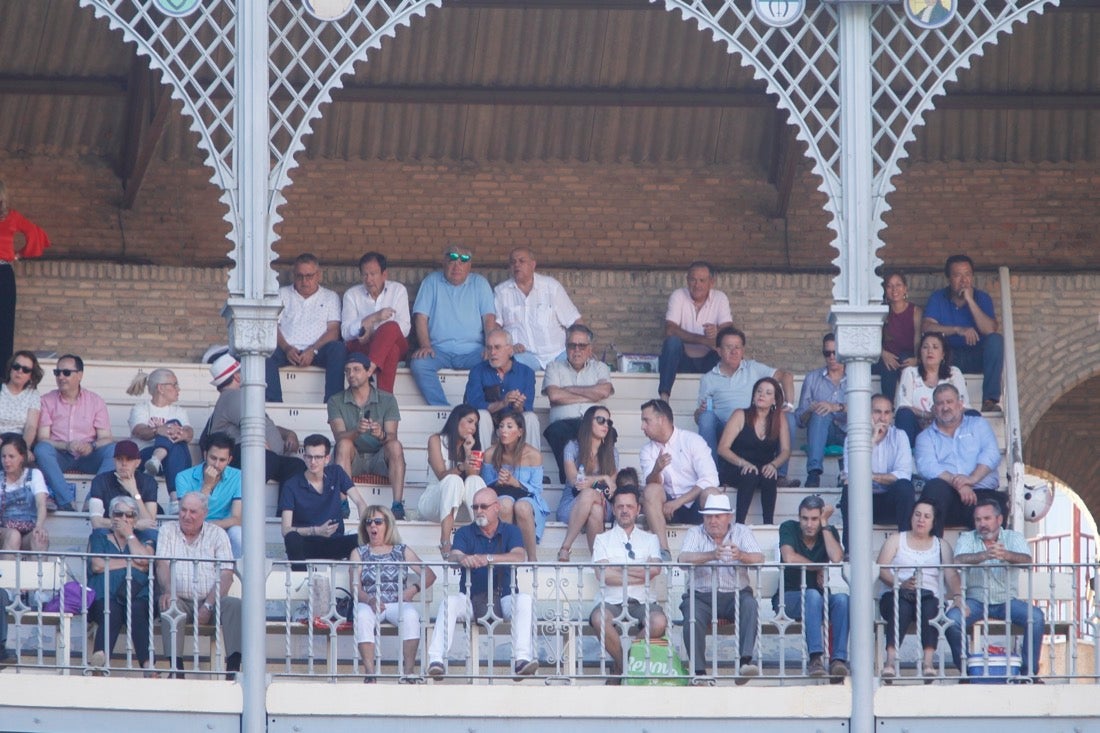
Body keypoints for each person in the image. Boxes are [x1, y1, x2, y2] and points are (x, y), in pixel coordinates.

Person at [425, 486, 538, 680]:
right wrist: (462, 559)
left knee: (524, 600)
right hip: (469, 598)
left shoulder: (511, 531)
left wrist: (488, 558)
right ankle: (436, 661)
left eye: (483, 506)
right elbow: (454, 554)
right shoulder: (464, 532)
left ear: (496, 508)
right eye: (475, 506)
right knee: (449, 603)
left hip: (504, 597)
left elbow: (519, 556)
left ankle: (521, 660)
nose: (478, 511)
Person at [946, 497, 1045, 681]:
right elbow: (958, 560)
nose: (982, 524)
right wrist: (985, 555)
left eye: (987, 518)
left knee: (1036, 617)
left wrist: (1006, 555)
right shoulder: (968, 538)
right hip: (975, 601)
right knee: (952, 621)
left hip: (1006, 600)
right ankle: (967, 671)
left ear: (999, 520)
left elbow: (1028, 560)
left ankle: (1028, 673)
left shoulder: (1013, 537)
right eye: (978, 520)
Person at [694, 327, 798, 486]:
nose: (734, 351)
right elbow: (698, 418)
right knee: (706, 417)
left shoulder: (753, 368)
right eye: (729, 347)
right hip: (726, 429)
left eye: (738, 347)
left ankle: (780, 476)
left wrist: (788, 404)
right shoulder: (708, 379)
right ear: (718, 351)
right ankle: (713, 476)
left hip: (757, 425)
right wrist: (699, 412)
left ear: (743, 350)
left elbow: (786, 376)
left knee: (788, 418)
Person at [155, 492, 241, 679]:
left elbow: (227, 574)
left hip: (212, 600)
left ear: (204, 513)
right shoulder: (167, 530)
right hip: (180, 598)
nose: (186, 516)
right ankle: (176, 670)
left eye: (193, 512)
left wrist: (208, 605)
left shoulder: (217, 534)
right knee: (170, 606)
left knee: (235, 606)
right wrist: (169, 591)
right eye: (183, 510)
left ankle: (233, 669)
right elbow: (162, 564)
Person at [677, 494, 762, 682]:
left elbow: (759, 559)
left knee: (750, 605)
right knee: (691, 613)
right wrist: (711, 554)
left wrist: (741, 555)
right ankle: (699, 672)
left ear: (728, 517)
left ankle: (745, 663)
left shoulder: (742, 532)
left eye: (718, 516)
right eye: (708, 516)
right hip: (701, 596)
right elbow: (682, 559)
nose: (712, 520)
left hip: (736, 595)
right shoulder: (695, 532)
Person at [877, 498, 963, 680]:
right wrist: (899, 584)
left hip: (928, 596)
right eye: (917, 515)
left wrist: (957, 596)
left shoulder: (941, 545)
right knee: (901, 606)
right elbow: (881, 569)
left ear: (933, 522)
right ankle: (891, 662)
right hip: (897, 594)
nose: (921, 520)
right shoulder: (896, 540)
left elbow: (951, 574)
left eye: (926, 516)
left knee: (932, 607)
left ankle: (928, 663)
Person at [589, 483, 666, 683]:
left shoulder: (651, 540)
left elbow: (655, 570)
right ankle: (627, 667)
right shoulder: (602, 539)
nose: (625, 510)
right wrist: (640, 572)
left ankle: (620, 667)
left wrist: (619, 570)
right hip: (611, 601)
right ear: (613, 509)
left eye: (630, 506)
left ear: (638, 509)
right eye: (620, 506)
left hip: (643, 602)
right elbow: (603, 575)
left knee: (658, 622)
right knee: (598, 619)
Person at [350, 505, 435, 682]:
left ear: (388, 525)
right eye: (369, 522)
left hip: (398, 603)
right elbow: (355, 587)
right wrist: (369, 599)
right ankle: (370, 673)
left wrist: (413, 590)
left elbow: (430, 574)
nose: (373, 526)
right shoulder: (359, 553)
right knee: (363, 616)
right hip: (371, 603)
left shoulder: (401, 551)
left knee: (411, 615)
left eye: (378, 522)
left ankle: (409, 672)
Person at [409, 245, 496, 406]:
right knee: (419, 364)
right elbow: (420, 317)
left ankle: (475, 407)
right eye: (452, 260)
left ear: (469, 266)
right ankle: (442, 408)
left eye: (463, 261)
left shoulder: (480, 284)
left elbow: (489, 320)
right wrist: (425, 346)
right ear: (444, 263)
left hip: (473, 351)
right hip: (439, 350)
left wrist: (489, 348)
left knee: (495, 361)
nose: (457, 266)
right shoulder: (431, 282)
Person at [776, 495, 849, 680]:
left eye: (815, 519)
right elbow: (789, 558)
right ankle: (815, 658)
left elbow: (836, 557)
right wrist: (818, 566)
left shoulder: (829, 530)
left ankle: (838, 660)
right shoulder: (788, 527)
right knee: (812, 595)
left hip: (819, 598)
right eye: (805, 518)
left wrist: (825, 525)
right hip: (788, 599)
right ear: (798, 517)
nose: (809, 524)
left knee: (842, 600)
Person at [915, 383, 1003, 538]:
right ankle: (932, 552)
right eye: (940, 403)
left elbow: (992, 454)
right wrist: (959, 483)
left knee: (993, 509)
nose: (945, 407)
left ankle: (991, 559)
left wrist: (971, 479)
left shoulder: (979, 424)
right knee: (934, 488)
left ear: (960, 404)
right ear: (934, 409)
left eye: (949, 402)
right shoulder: (925, 437)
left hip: (981, 493)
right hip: (947, 499)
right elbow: (927, 466)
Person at [327, 352, 407, 519]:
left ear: (369, 372)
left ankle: (397, 505)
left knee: (395, 446)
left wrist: (381, 434)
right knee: (343, 445)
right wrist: (357, 431)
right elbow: (339, 436)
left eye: (356, 370)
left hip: (379, 458)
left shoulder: (388, 399)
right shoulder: (335, 400)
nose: (351, 375)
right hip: (353, 457)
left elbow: (392, 437)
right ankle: (343, 505)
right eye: (347, 371)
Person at [922, 254, 1005, 413]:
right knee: (932, 347)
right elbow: (926, 327)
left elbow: (990, 330)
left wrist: (970, 301)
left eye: (967, 274)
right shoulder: (938, 297)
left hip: (977, 356)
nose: (964, 280)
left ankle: (989, 401)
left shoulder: (982, 298)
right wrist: (958, 330)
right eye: (957, 275)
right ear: (948, 278)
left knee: (996, 340)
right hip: (949, 356)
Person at [639, 399, 720, 560]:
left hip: (695, 504)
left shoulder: (692, 440)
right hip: (666, 509)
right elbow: (654, 485)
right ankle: (663, 551)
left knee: (712, 493)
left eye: (646, 421)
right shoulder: (647, 450)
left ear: (661, 420)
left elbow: (711, 478)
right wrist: (656, 469)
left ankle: (715, 550)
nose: (642, 426)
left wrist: (678, 502)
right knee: (651, 490)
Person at [206, 353, 305, 485]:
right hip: (248, 456)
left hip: (268, 456)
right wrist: (268, 451)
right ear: (237, 376)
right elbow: (252, 427)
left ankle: (286, 506)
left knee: (297, 466)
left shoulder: (236, 397)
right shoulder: (233, 396)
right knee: (267, 459)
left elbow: (263, 423)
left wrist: (287, 434)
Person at [33, 354, 115, 512]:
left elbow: (106, 438)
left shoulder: (95, 401)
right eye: (57, 373)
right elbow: (43, 438)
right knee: (41, 449)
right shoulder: (46, 400)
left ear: (80, 375)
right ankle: (66, 502)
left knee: (114, 450)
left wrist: (91, 446)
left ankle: (92, 501)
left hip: (89, 456)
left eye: (66, 372)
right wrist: (66, 445)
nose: (61, 377)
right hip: (60, 455)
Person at [86, 495, 155, 675]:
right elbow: (98, 565)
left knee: (137, 609)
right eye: (119, 514)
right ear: (111, 516)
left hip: (137, 595)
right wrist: (131, 562)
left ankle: (148, 666)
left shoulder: (144, 538)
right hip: (104, 595)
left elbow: (145, 561)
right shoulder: (99, 537)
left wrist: (130, 535)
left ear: (136, 519)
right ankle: (99, 662)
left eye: (130, 515)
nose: (125, 518)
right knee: (111, 610)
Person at [265, 252, 346, 403]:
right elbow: (271, 325)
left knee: (338, 349)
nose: (304, 281)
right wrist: (287, 348)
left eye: (309, 276)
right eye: (299, 276)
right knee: (264, 351)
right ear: (293, 275)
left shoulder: (330, 297)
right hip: (287, 349)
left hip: (318, 350)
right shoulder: (281, 294)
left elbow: (334, 330)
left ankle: (333, 404)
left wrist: (313, 350)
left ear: (318, 276)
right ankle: (273, 403)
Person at [838, 394, 915, 548]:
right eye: (877, 412)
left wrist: (870, 476)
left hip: (889, 503)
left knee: (905, 487)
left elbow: (903, 474)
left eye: (887, 413)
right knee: (849, 490)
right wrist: (872, 440)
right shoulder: (853, 437)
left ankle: (907, 547)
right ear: (867, 413)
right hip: (863, 504)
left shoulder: (900, 436)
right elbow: (850, 475)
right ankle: (850, 550)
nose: (882, 417)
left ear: (892, 415)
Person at [542, 324, 614, 483]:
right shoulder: (553, 367)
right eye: (572, 345)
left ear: (590, 349)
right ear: (566, 347)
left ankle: (598, 483)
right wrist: (591, 395)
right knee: (557, 431)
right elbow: (554, 396)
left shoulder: (600, 368)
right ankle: (571, 483)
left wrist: (569, 390)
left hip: (593, 421)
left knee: (609, 431)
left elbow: (604, 391)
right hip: (563, 424)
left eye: (582, 345)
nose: (577, 349)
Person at [716, 376, 791, 525]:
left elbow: (786, 450)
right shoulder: (740, 415)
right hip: (736, 467)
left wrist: (774, 465)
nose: (762, 395)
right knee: (750, 473)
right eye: (759, 391)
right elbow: (722, 448)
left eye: (768, 393)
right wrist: (742, 463)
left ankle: (768, 524)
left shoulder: (779, 418)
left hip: (763, 468)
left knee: (770, 475)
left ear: (775, 400)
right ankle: (739, 524)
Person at [493, 247, 583, 371]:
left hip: (558, 354)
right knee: (508, 365)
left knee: (577, 369)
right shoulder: (501, 292)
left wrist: (582, 347)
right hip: (523, 356)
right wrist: (508, 347)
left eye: (521, 261)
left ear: (533, 265)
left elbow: (575, 322)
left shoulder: (551, 287)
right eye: (513, 262)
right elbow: (496, 328)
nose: (516, 265)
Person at [279, 433, 362, 566]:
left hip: (336, 541)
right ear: (304, 457)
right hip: (307, 543)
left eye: (318, 457)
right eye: (309, 457)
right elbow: (285, 530)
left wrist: (365, 526)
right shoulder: (291, 485)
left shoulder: (336, 473)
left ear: (327, 458)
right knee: (292, 538)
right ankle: (301, 582)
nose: (313, 462)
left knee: (366, 537)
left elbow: (359, 501)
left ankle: (361, 581)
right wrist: (316, 530)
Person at [658, 261, 734, 401]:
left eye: (702, 280)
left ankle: (725, 399)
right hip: (683, 360)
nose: (697, 285)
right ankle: (664, 399)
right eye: (693, 279)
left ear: (711, 282)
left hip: (710, 361)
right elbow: (670, 330)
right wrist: (704, 340)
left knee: (729, 346)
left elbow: (729, 330)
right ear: (687, 280)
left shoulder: (720, 298)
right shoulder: (678, 295)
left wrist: (718, 330)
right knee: (672, 342)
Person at [417, 404, 487, 556]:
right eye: (469, 421)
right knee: (453, 480)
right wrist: (461, 466)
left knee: (475, 480)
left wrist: (468, 452)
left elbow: (473, 477)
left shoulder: (473, 446)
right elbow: (442, 474)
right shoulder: (436, 440)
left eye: (475, 424)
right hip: (434, 503)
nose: (473, 427)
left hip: (463, 509)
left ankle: (483, 537)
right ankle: (445, 541)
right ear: (457, 420)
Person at [480, 410, 547, 563]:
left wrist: (515, 482)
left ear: (520, 432)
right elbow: (485, 486)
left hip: (526, 496)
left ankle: (532, 558)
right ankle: (504, 557)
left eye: (510, 426)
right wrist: (498, 482)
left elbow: (537, 489)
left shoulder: (533, 455)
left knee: (522, 507)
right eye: (501, 426)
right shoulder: (490, 453)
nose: (504, 430)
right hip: (501, 493)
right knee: (504, 504)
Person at [554, 406, 619, 562]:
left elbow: (612, 488)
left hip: (604, 503)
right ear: (589, 422)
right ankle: (599, 562)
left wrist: (592, 484)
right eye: (600, 420)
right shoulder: (572, 446)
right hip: (572, 503)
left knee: (593, 500)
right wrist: (602, 478)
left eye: (608, 422)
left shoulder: (612, 452)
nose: (606, 425)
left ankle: (565, 548)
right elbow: (575, 481)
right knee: (594, 509)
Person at [340, 251, 411, 394]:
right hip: (363, 347)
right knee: (391, 351)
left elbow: (404, 328)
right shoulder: (351, 295)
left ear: (384, 274)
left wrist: (374, 333)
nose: (368, 279)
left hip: (393, 340)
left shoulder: (398, 290)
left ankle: (370, 367)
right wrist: (373, 318)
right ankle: (385, 400)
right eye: (365, 274)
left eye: (373, 274)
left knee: (391, 326)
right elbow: (346, 333)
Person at [126, 368, 194, 513]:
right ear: (161, 388)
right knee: (173, 429)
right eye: (174, 384)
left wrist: (180, 434)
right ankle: (176, 499)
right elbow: (139, 431)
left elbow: (189, 433)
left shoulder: (179, 411)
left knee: (176, 443)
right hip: (144, 455)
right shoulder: (141, 408)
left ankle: (157, 459)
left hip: (168, 459)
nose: (178, 389)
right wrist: (159, 430)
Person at [463, 328, 542, 452]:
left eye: (497, 347)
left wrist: (519, 406)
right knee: (482, 415)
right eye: (489, 348)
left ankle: (532, 467)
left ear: (510, 350)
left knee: (530, 417)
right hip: (489, 424)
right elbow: (474, 404)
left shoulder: (527, 373)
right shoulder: (477, 371)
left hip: (514, 424)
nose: (492, 352)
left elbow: (527, 407)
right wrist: (502, 403)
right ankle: (484, 466)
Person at [0, 180, 51, 369]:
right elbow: (36, 234)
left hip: (3, 273)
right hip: (3, 272)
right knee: (3, 327)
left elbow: (36, 234)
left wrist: (19, 253)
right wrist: (19, 254)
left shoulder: (12, 217)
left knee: (3, 326)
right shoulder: (11, 217)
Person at [894, 331, 975, 448]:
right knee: (904, 415)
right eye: (925, 347)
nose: (929, 351)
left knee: (973, 415)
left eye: (935, 347)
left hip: (950, 426)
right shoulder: (910, 372)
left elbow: (964, 406)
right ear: (920, 353)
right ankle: (907, 456)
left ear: (943, 354)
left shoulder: (954, 373)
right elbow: (903, 405)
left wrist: (942, 417)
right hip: (920, 427)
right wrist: (927, 415)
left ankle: (969, 454)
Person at [175, 432, 242, 558]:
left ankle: (237, 575)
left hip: (224, 529)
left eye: (222, 460)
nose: (216, 464)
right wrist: (207, 485)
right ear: (205, 455)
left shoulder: (238, 476)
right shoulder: (183, 477)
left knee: (238, 534)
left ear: (229, 460)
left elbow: (237, 519)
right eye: (213, 458)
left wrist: (210, 527)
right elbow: (188, 514)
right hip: (192, 528)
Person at [796, 334, 847, 489]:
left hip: (848, 432)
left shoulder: (856, 377)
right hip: (822, 432)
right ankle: (814, 473)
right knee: (819, 412)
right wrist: (810, 411)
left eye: (835, 353)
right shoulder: (812, 378)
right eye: (827, 353)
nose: (831, 357)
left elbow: (865, 412)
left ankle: (846, 475)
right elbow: (799, 420)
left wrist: (835, 407)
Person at [87, 440, 159, 546]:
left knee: (152, 534)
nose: (124, 464)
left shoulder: (149, 482)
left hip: (138, 534)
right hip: (111, 531)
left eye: (129, 459)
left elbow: (149, 523)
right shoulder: (100, 481)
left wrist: (134, 491)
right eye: (119, 459)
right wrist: (133, 525)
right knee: (99, 533)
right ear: (114, 461)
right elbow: (96, 522)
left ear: (138, 462)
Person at [872, 271, 922, 404]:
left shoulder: (915, 311)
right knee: (888, 366)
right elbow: (872, 337)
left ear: (905, 288)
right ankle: (888, 405)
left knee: (905, 361)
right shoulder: (882, 311)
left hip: (907, 355)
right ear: (885, 290)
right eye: (889, 286)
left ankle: (907, 404)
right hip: (886, 357)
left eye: (898, 285)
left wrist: (917, 359)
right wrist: (882, 353)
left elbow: (917, 339)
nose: (894, 290)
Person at [0, 433, 49, 552]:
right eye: (3, 456)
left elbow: (41, 504)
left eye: (11, 456)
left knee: (39, 537)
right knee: (13, 536)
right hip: (4, 530)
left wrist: (39, 526)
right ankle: (7, 571)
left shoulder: (35, 475)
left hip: (28, 529)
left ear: (22, 457)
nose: (6, 461)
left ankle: (38, 571)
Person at [0, 350, 43, 448]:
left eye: (26, 369)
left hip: (17, 443)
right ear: (10, 368)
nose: (19, 371)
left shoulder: (33, 394)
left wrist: (24, 449)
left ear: (31, 375)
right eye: (16, 367)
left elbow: (31, 427)